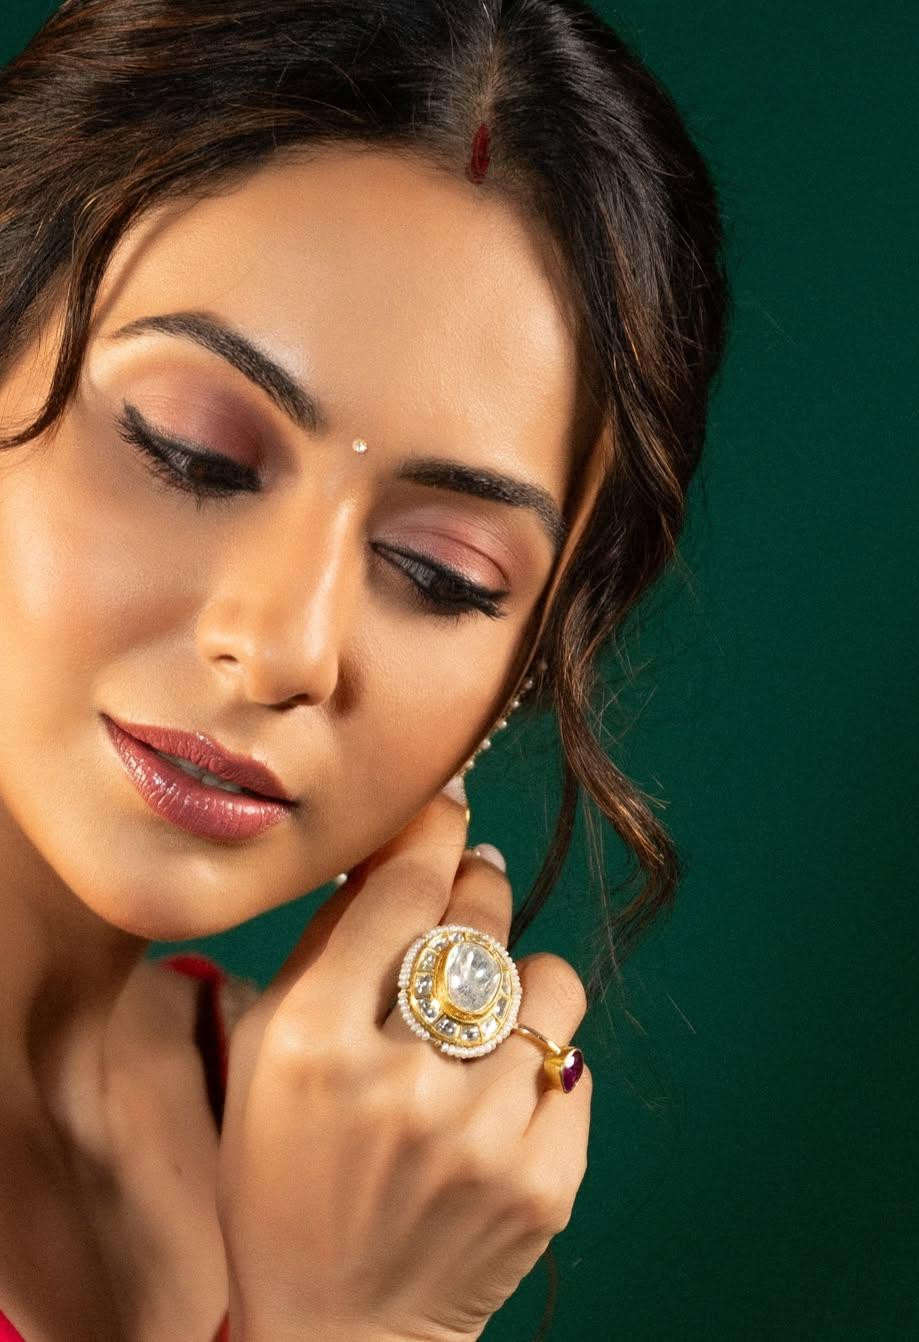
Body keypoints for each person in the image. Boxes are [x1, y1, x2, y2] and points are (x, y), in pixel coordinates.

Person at [0, 0, 731, 1338]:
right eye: (189, 453)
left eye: (442, 574)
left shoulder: (333, 1166)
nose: (286, 644)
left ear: (529, 665)